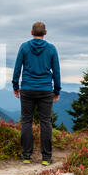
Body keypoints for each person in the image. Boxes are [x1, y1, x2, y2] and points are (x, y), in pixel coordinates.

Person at [12, 21, 61, 166]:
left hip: (27, 88)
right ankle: (46, 158)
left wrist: (16, 86)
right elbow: (56, 72)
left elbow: (17, 68)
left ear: (32, 32)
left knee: (26, 121)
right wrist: (56, 90)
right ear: (45, 33)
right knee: (45, 122)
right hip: (45, 89)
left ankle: (26, 155)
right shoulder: (52, 49)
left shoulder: (24, 47)